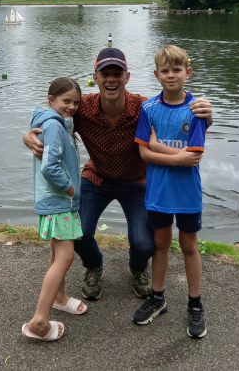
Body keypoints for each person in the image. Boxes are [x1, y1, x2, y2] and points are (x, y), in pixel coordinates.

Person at [23, 48, 212, 301]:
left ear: (127, 77)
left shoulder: (143, 108)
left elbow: (174, 118)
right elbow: (52, 116)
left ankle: (138, 268)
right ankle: (94, 266)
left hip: (137, 180)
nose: (111, 79)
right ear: (96, 77)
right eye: (105, 74)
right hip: (97, 177)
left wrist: (207, 117)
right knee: (78, 233)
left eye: (117, 73)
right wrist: (28, 135)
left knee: (146, 243)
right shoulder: (82, 109)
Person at [131, 45, 207, 338]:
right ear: (156, 75)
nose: (171, 75)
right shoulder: (148, 108)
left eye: (177, 70)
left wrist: (158, 147)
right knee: (160, 245)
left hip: (188, 193)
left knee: (189, 246)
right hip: (158, 193)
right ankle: (158, 297)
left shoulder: (197, 109)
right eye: (165, 70)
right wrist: (175, 157)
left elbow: (195, 155)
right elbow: (143, 154)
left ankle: (195, 303)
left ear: (187, 72)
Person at [22, 77, 86, 342]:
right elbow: (50, 167)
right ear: (51, 100)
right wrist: (71, 189)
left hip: (56, 202)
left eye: (75, 103)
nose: (71, 106)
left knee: (57, 250)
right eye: (65, 101)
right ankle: (39, 321)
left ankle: (59, 297)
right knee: (66, 256)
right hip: (60, 202)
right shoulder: (54, 126)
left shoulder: (54, 123)